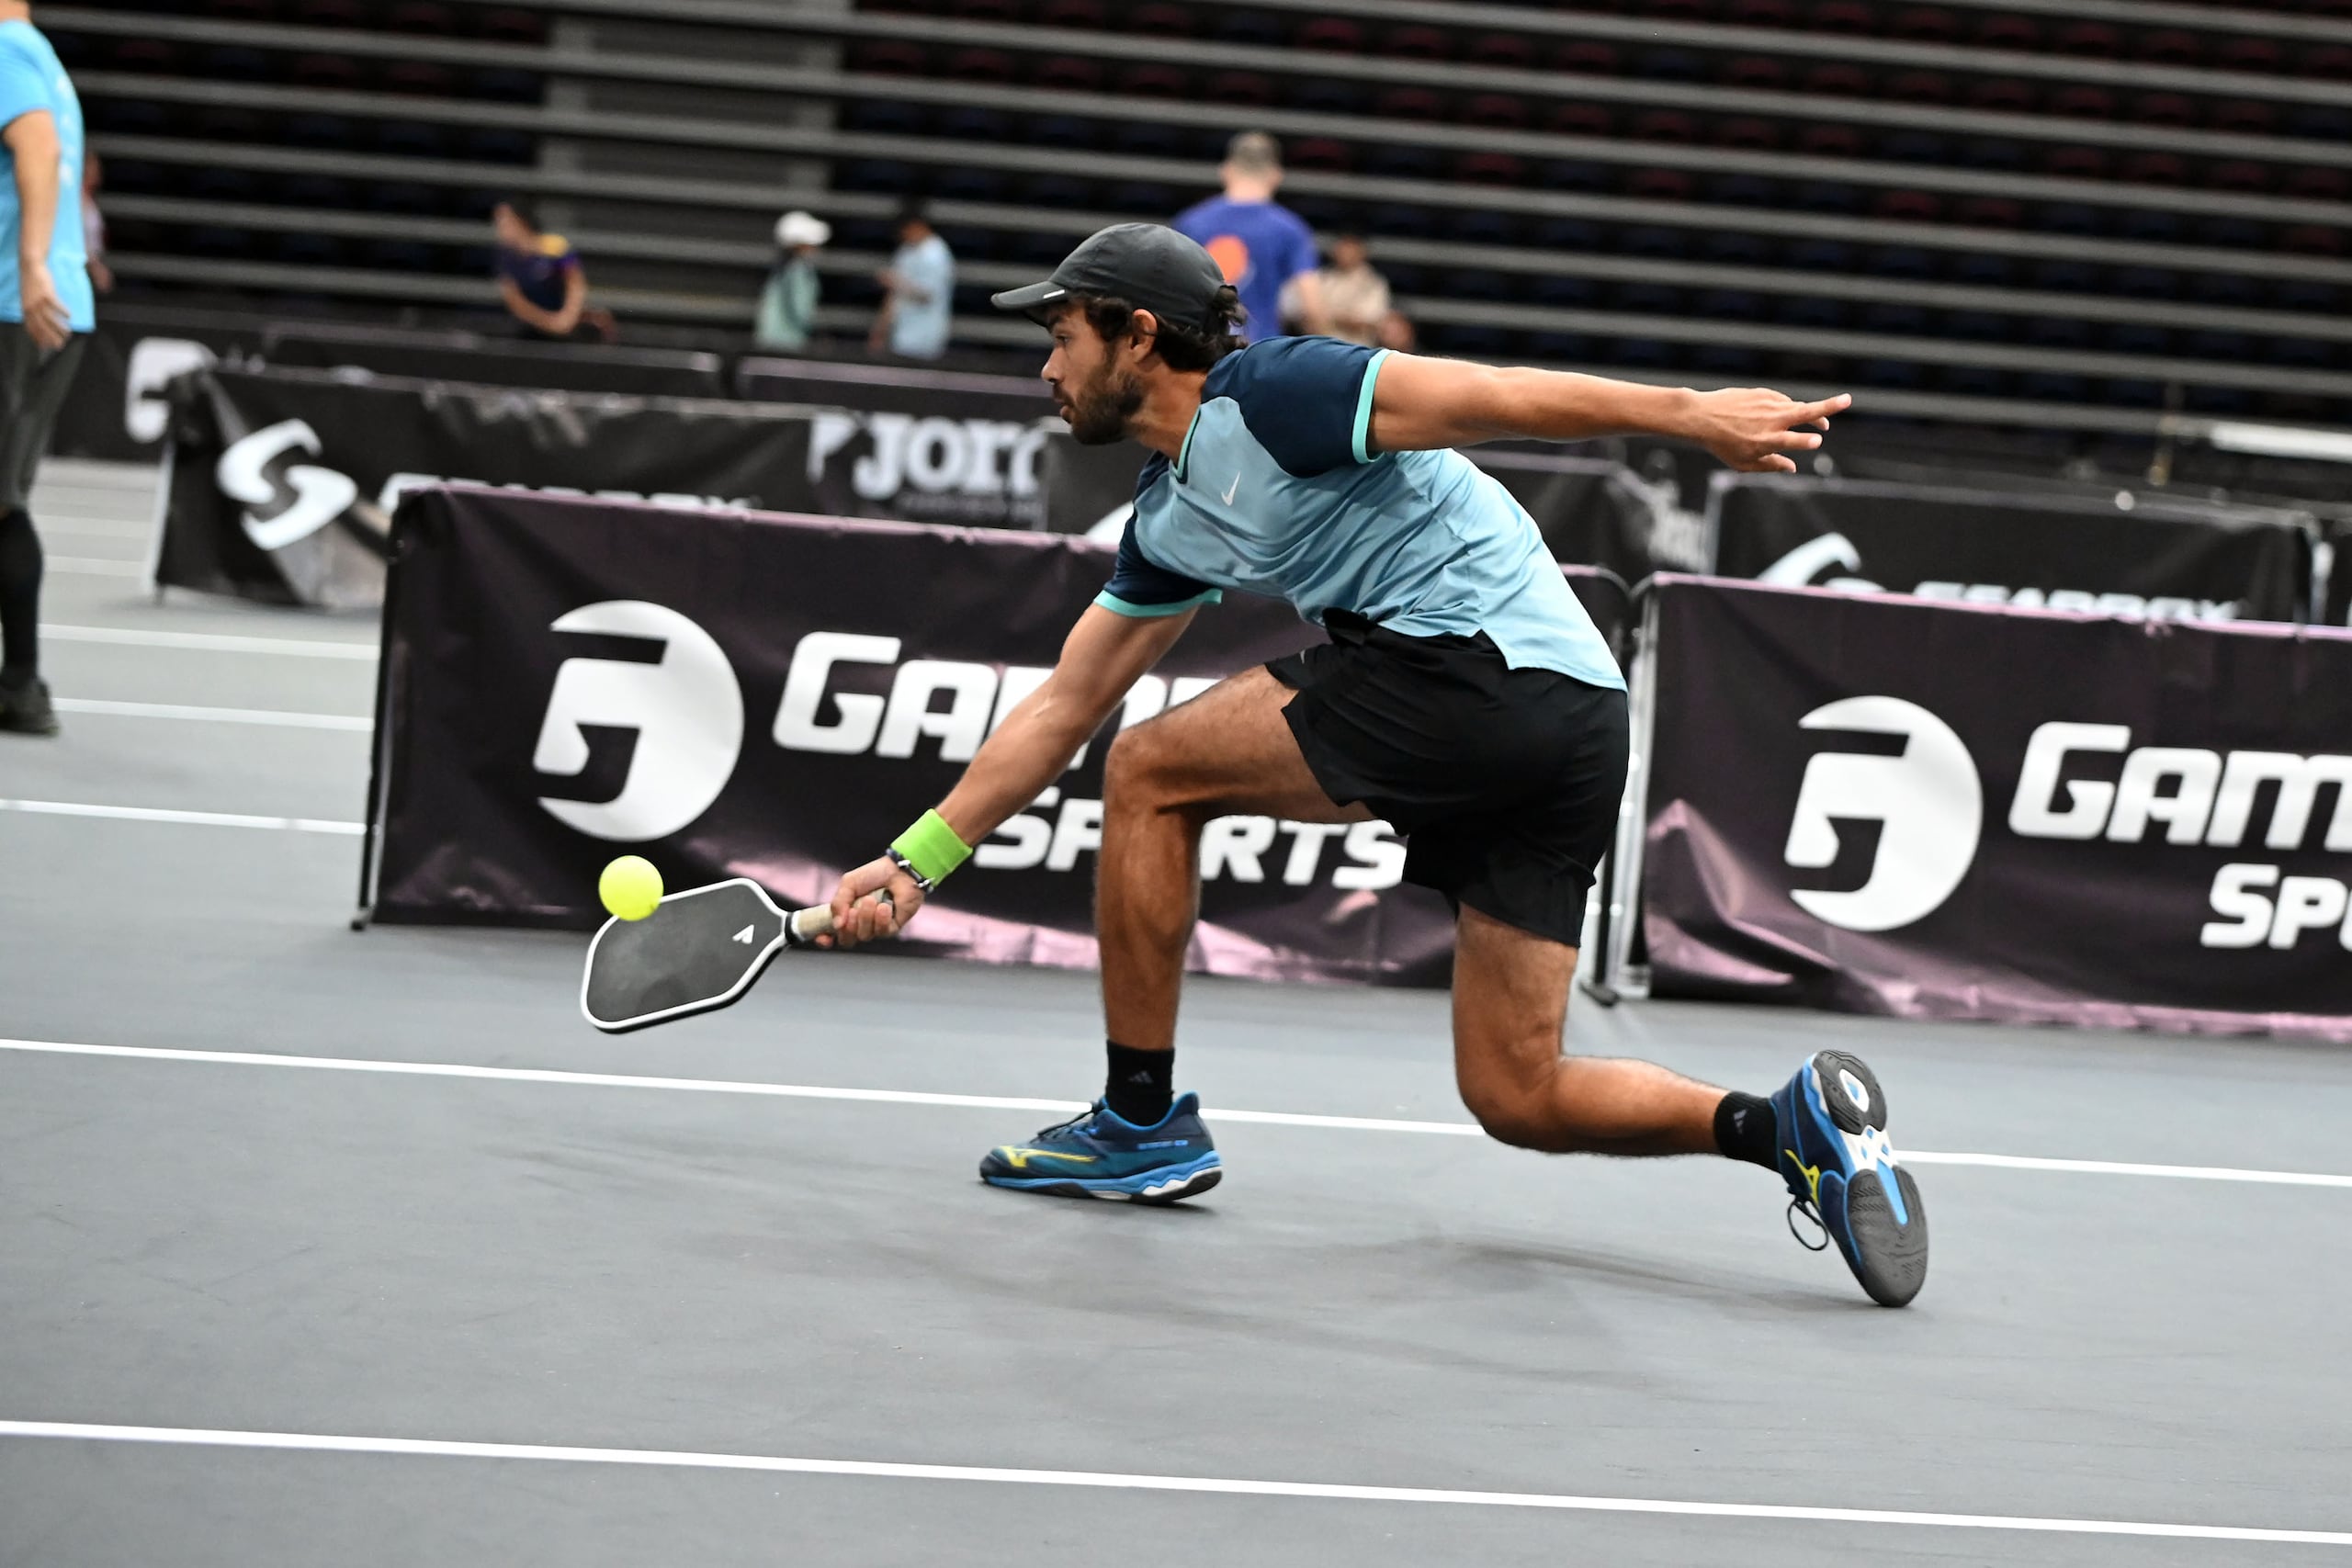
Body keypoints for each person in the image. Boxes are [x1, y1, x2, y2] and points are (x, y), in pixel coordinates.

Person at [822, 224, 1928, 1309]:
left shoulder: (1278, 392)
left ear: (1138, 336)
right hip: (1578, 719)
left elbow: (1494, 397)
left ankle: (1139, 1120)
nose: (1047, 367)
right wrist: (917, 861)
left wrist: (1688, 416)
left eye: (1063, 335)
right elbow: (1067, 699)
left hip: (1470, 666)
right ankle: (1790, 1130)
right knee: (1517, 1091)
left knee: (1152, 771)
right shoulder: (1167, 520)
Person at [0, 0, 94, 738]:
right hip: (50, 306)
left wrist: (30, 265)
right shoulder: (40, 56)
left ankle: (24, 685)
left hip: (14, 303)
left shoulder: (2, 52)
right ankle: (20, 685)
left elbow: (38, 151)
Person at [1174, 131, 1328, 344]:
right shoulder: (1290, 229)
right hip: (1259, 354)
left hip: (1200, 353)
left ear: (1226, 171)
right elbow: (1311, 306)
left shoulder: (1191, 223)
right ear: (1276, 175)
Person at [492, 200, 616, 344]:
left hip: (568, 321)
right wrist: (549, 323)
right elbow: (514, 300)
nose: (499, 227)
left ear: (521, 221)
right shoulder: (505, 258)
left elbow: (576, 285)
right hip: (532, 325)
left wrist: (566, 319)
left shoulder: (554, 247)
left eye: (504, 220)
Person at [869, 200, 952, 360]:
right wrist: (880, 330)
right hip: (900, 333)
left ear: (917, 226)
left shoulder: (936, 255)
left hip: (924, 335)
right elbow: (893, 295)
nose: (903, 235)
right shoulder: (906, 251)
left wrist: (895, 281)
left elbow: (928, 295)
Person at [755, 209, 828, 353]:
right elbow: (801, 311)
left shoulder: (785, 269)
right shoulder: (798, 271)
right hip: (786, 345)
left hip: (775, 342)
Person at [1310, 232, 1387, 345]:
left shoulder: (1373, 282)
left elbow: (1367, 321)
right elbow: (1304, 313)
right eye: (1342, 248)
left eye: (1350, 249)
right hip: (1320, 345)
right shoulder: (1322, 278)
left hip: (1356, 349)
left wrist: (1327, 316)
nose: (1345, 253)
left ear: (1362, 252)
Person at [79, 143, 106, 295]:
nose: (97, 172)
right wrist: (95, 267)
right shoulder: (73, 201)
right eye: (92, 167)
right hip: (80, 270)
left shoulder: (89, 200)